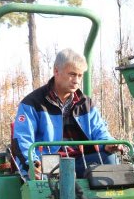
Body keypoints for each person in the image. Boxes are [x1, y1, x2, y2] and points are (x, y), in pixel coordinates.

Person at [12, 48, 121, 179]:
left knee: (110, 159)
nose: (76, 80)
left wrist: (109, 142)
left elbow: (100, 131)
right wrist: (32, 164)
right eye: (72, 74)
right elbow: (23, 140)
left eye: (80, 75)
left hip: (81, 161)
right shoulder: (32, 103)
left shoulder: (85, 103)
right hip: (49, 163)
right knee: (40, 174)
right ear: (56, 71)